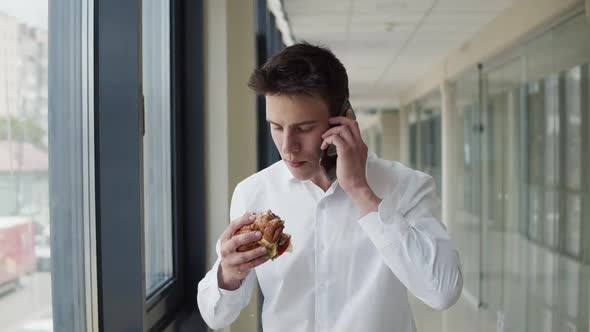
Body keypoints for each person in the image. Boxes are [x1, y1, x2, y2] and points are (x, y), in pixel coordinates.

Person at [197, 42, 463, 332]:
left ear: (344, 119)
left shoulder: (406, 186)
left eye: (304, 128)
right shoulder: (253, 193)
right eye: (276, 126)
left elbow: (443, 291)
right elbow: (216, 316)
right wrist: (228, 274)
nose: (288, 148)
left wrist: (361, 191)